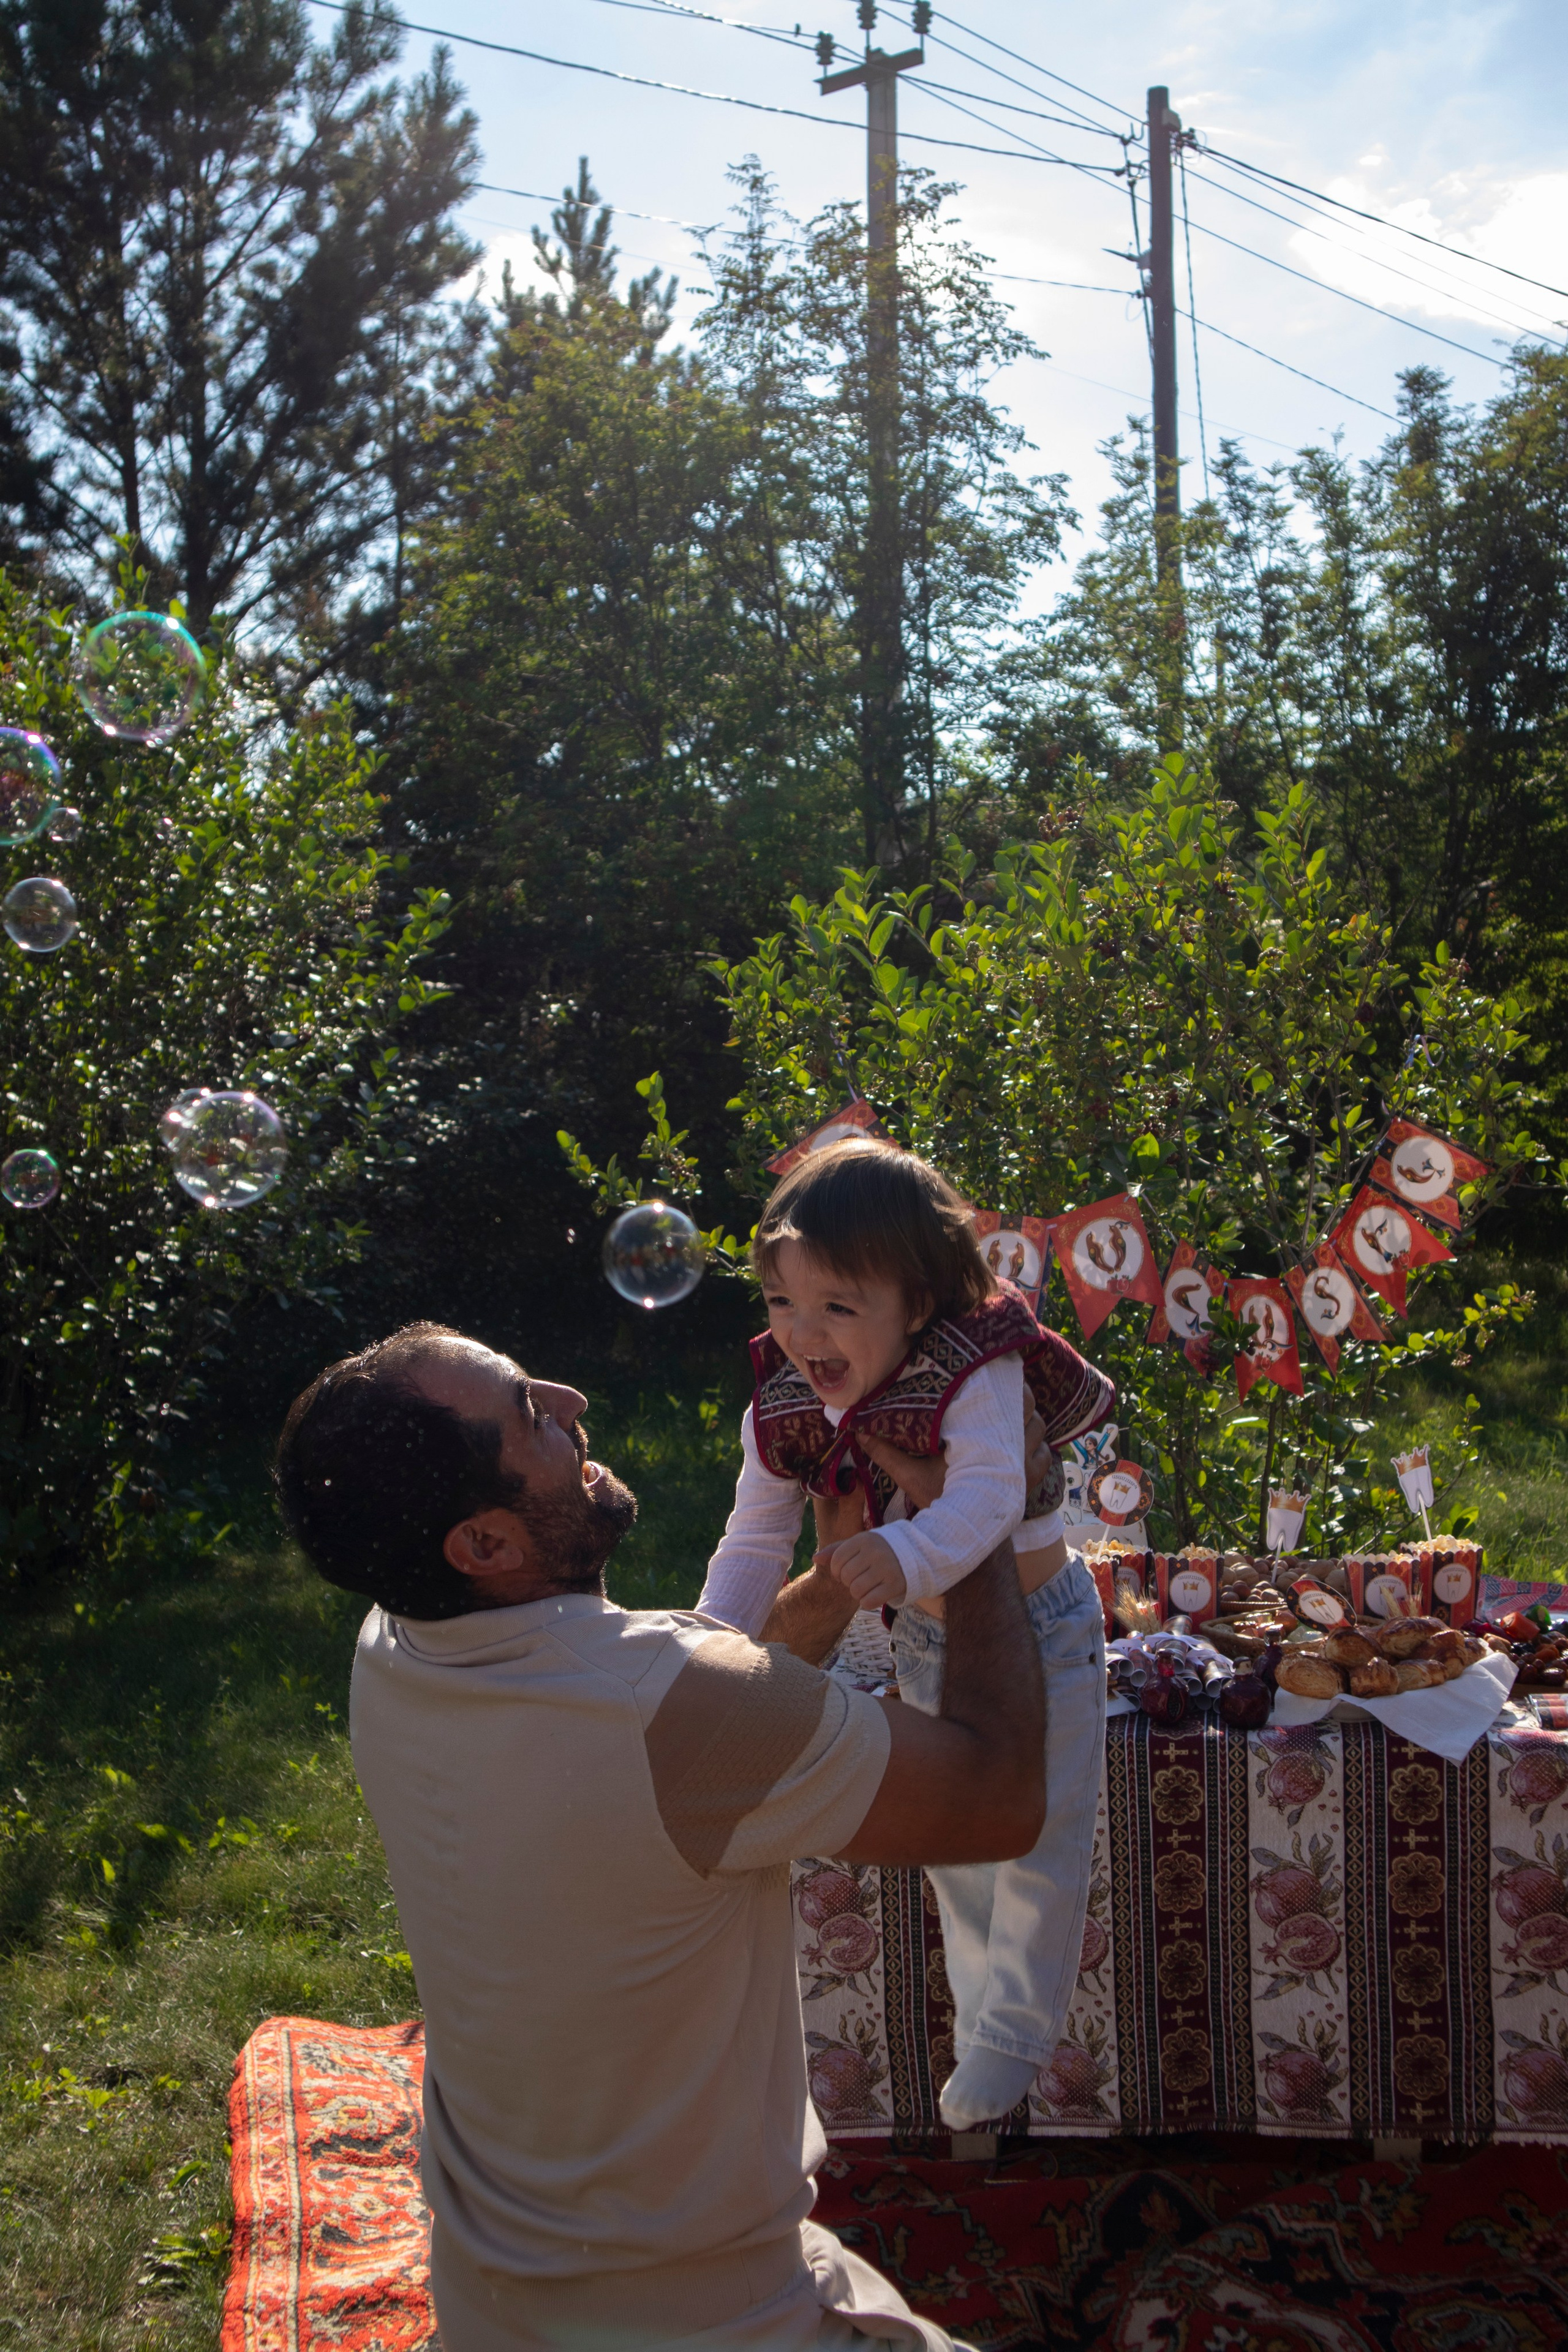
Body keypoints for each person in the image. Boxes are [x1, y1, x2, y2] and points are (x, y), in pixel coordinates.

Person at [274, 1320, 1050, 2351]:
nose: (570, 1399)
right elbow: (1001, 1795)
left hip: (497, 2304)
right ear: (488, 1546)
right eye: (526, 1411)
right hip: (715, 2323)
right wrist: (981, 1515)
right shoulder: (666, 1708)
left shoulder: (393, 1643)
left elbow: (712, 1709)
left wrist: (830, 1581)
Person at [697, 1140, 1114, 2130]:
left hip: (1044, 1627)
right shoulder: (783, 1398)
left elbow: (991, 1495)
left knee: (1042, 1833)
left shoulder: (977, 1366)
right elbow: (755, 1536)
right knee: (957, 1843)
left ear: (919, 1303)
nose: (804, 1333)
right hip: (929, 1641)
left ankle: (1015, 2032)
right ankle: (984, 2017)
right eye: (781, 1301)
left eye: (838, 1307)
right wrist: (710, 1648)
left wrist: (911, 1552)